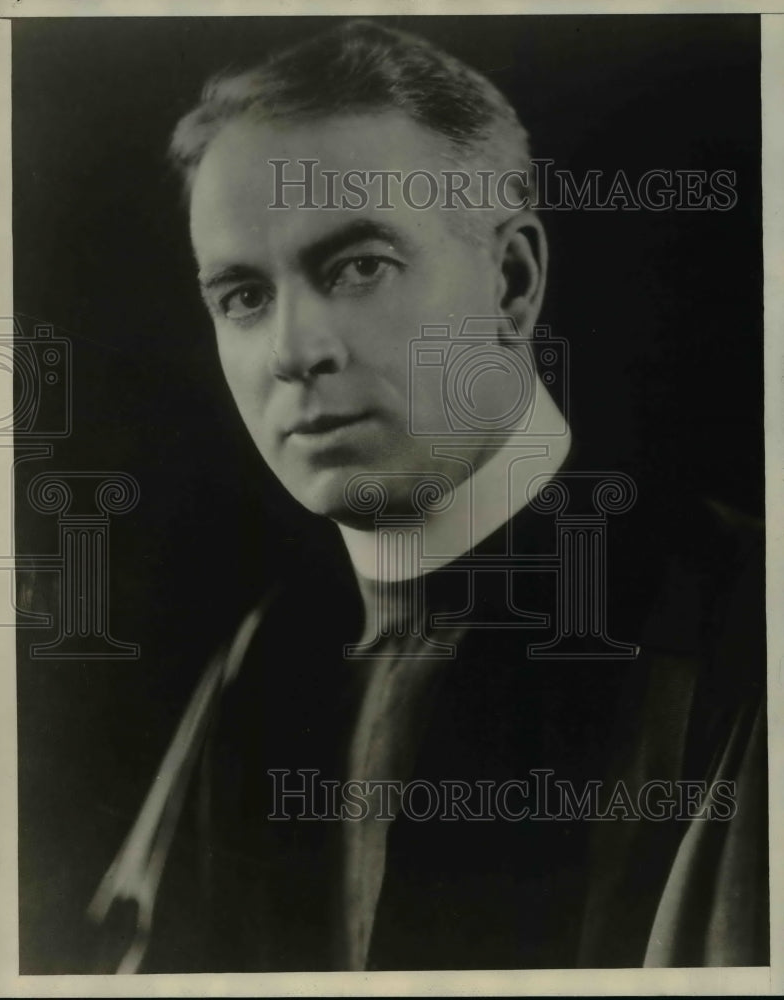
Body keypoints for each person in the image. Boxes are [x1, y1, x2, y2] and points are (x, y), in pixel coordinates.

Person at [86, 19, 767, 972]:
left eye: (359, 266)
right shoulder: (266, 658)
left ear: (512, 282)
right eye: (243, 295)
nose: (293, 350)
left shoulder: (741, 623)